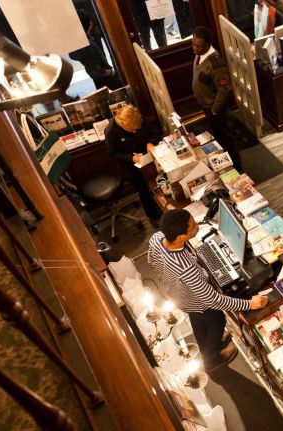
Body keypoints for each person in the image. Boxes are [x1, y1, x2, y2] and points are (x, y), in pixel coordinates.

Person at [148, 209, 268, 369]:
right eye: (193, 226)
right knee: (217, 320)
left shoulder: (156, 239)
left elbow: (151, 261)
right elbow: (212, 300)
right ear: (181, 237)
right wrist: (249, 304)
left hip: (178, 294)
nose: (197, 225)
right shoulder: (186, 269)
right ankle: (211, 359)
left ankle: (207, 345)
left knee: (197, 319)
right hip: (195, 300)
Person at [191, 26, 241, 171]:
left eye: (199, 46)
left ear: (208, 45)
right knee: (219, 138)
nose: (195, 48)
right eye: (193, 44)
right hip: (207, 106)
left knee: (226, 139)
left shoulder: (216, 63)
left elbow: (224, 88)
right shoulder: (199, 55)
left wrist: (214, 110)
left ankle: (237, 168)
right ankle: (226, 166)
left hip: (215, 109)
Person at [104, 104, 162, 224]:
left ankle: (164, 209)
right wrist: (131, 158)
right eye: (132, 130)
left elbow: (155, 132)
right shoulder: (111, 131)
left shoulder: (139, 118)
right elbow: (113, 153)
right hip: (131, 167)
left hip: (150, 158)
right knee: (144, 191)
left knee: (159, 184)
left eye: (137, 128)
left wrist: (150, 143)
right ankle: (154, 217)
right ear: (123, 124)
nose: (135, 131)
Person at [70, 10, 123, 90]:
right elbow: (96, 71)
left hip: (99, 80)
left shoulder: (79, 44)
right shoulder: (88, 45)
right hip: (107, 78)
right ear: (90, 23)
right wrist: (111, 72)